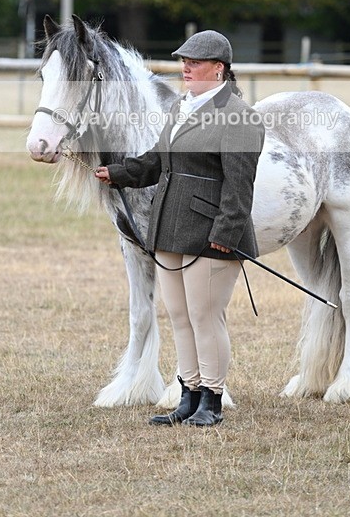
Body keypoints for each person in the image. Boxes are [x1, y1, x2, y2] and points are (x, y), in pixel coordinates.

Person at [95, 30, 265, 427]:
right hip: (170, 228)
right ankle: (188, 396)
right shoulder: (181, 108)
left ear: (218, 69)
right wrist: (118, 172)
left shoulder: (239, 117)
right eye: (183, 61)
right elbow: (158, 160)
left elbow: (240, 188)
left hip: (211, 233)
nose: (185, 68)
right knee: (179, 315)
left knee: (206, 317)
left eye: (195, 62)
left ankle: (212, 399)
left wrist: (225, 236)